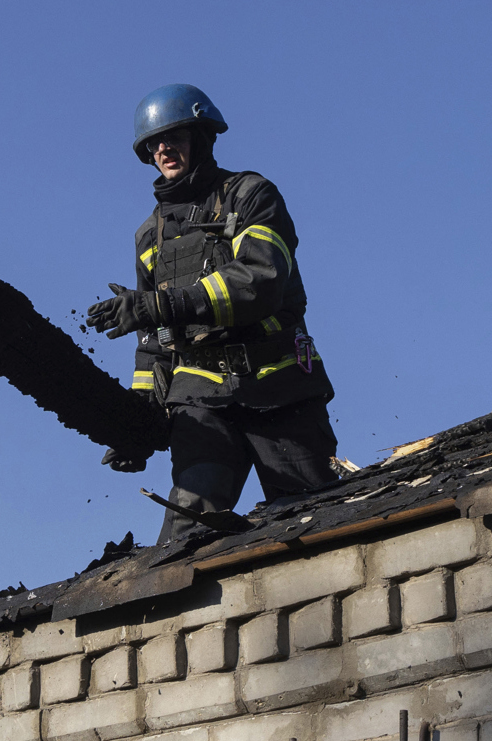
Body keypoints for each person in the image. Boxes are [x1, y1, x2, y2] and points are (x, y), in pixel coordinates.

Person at [87, 84, 339, 543]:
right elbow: (152, 343)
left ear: (201, 137)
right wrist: (137, 421)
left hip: (279, 389)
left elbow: (259, 280)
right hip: (200, 402)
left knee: (316, 525)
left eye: (175, 137)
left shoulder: (250, 195)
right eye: (153, 144)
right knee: (184, 539)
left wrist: (160, 305)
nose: (164, 149)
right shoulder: (150, 236)